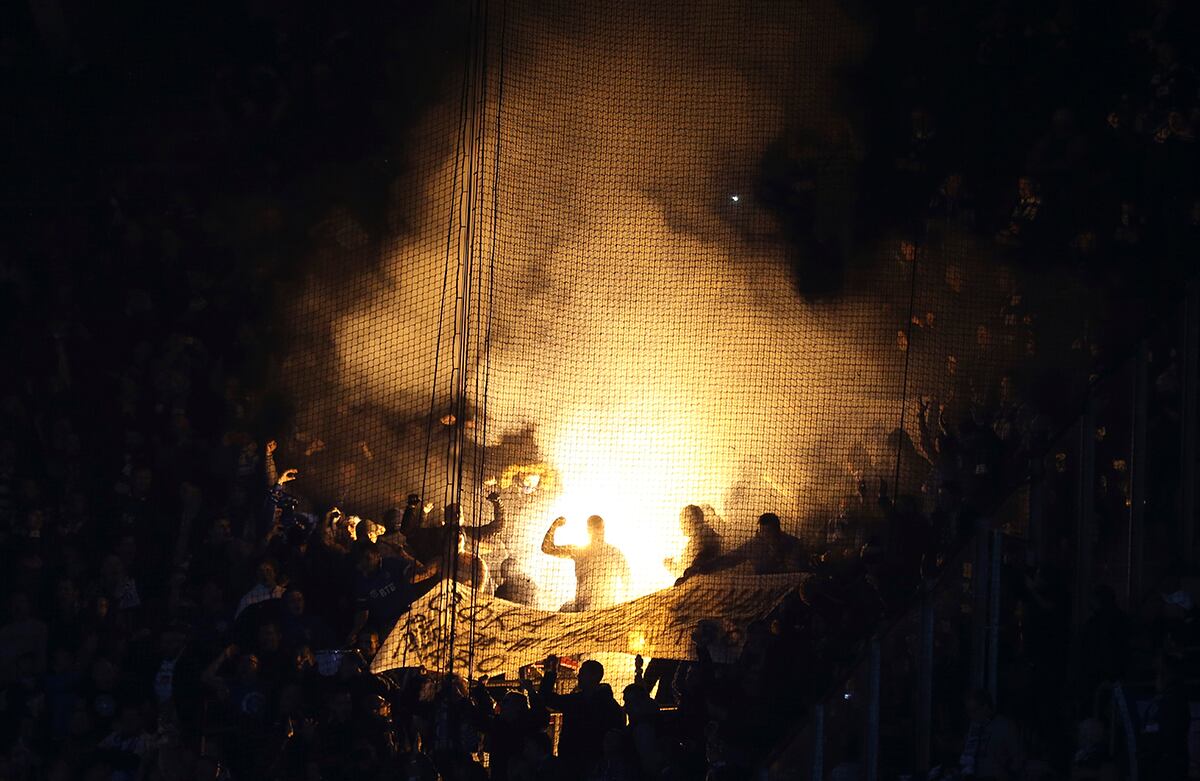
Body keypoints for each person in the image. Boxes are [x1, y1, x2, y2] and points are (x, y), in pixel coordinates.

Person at [538, 655, 625, 777]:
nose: (578, 676)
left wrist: (551, 673)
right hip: (592, 764)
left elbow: (547, 698)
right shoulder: (611, 706)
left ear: (593, 677)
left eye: (582, 673)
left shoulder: (576, 702)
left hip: (576, 764)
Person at [541, 515, 631, 611]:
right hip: (580, 608)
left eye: (602, 528)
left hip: (604, 608)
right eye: (597, 528)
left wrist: (623, 608)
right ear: (589, 530)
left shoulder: (613, 552)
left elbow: (626, 579)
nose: (600, 531)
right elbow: (547, 548)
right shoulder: (578, 551)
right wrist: (554, 525)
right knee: (565, 608)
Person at [959, 689, 1025, 781]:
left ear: (985, 707)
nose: (971, 715)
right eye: (968, 711)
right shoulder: (972, 728)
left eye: (974, 710)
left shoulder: (1005, 726)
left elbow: (1017, 758)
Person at [665, 504, 723, 584]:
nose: (681, 526)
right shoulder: (696, 539)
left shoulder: (702, 534)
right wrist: (671, 566)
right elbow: (682, 569)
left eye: (682, 521)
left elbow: (703, 556)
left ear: (690, 521)